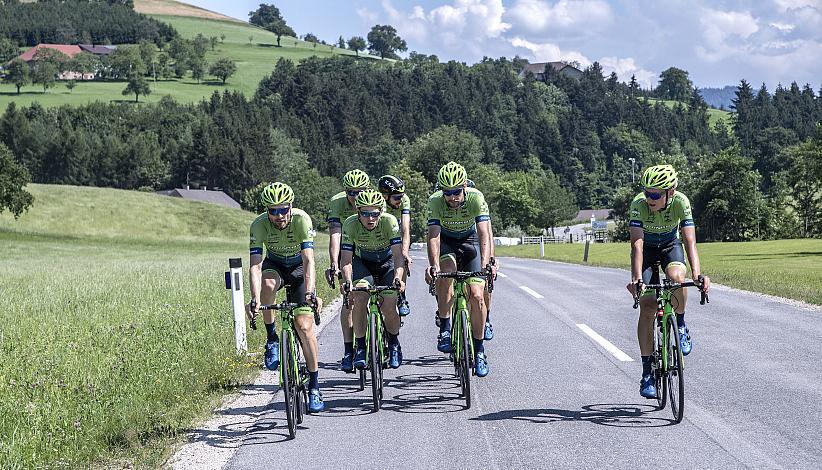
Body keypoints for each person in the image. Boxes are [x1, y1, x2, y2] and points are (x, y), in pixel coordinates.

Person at [625, 164, 711, 399]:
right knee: (649, 304)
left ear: (670, 192)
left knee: (677, 279)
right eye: (646, 192)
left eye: (655, 194)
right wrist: (637, 279)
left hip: (670, 246)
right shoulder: (638, 205)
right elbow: (637, 245)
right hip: (647, 250)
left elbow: (689, 241)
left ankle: (680, 325)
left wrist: (697, 275)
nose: (649, 198)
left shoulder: (681, 202)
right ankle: (647, 374)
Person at [246, 182, 325, 412]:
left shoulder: (302, 220)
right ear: (267, 211)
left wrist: (310, 293)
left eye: (283, 209)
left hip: (299, 270)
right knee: (268, 284)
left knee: (305, 327)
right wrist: (255, 298)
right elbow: (255, 267)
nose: (279, 215)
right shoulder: (259, 225)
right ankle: (272, 339)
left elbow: (309, 260)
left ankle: (314, 386)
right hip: (276, 266)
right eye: (273, 211)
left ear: (291, 207)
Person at [425, 161, 497, 377]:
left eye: (457, 191)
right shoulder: (435, 201)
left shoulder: (476, 197)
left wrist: (487, 264)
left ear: (464, 187)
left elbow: (484, 233)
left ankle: (479, 351)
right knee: (446, 273)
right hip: (446, 240)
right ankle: (445, 328)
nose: (453, 197)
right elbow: (434, 235)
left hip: (470, 240)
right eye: (448, 192)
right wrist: (434, 265)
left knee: (477, 296)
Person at [340, 189, 407, 369]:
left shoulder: (390, 222)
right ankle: (360, 346)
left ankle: (394, 343)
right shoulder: (350, 224)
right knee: (360, 297)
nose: (370, 218)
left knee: (389, 304)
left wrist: (399, 277)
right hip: (364, 264)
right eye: (365, 213)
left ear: (381, 212)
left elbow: (398, 256)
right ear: (358, 212)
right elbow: (346, 260)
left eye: (374, 213)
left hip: (387, 264)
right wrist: (347, 281)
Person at [326, 169, 371, 373]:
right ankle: (348, 350)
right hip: (348, 251)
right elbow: (335, 234)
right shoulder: (337, 203)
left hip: (369, 250)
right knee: (349, 299)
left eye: (359, 192)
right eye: (351, 192)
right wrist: (334, 263)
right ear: (345, 191)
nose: (355, 197)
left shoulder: (373, 200)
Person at [378, 175, 412, 316]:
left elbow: (405, 228)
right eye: (396, 198)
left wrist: (404, 252)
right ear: (385, 196)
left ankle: (401, 297)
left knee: (401, 258)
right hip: (380, 236)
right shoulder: (378, 202)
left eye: (401, 196)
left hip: (395, 234)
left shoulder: (404, 200)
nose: (400, 200)